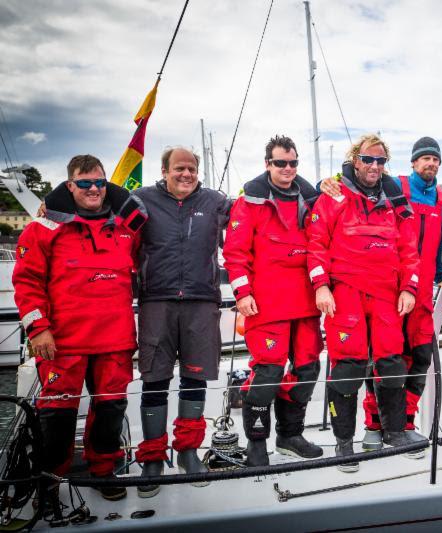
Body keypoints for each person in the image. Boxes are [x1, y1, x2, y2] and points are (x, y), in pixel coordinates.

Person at [13, 155, 147, 501]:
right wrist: (38, 329)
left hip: (114, 341)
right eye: (84, 182)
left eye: (99, 182)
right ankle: (48, 478)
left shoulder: (125, 229)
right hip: (62, 343)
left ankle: (104, 471)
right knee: (56, 416)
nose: (93, 189)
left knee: (110, 412)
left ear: (107, 185)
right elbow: (26, 282)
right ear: (69, 185)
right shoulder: (42, 229)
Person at [319, 136, 442, 454]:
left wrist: (439, 276)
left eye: (436, 158)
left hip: (408, 289)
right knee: (358, 363)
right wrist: (325, 182)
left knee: (409, 360)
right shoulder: (397, 187)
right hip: (369, 291)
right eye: (425, 158)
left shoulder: (440, 198)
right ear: (413, 162)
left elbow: (426, 246)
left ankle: (402, 426)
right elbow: (321, 227)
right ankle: (370, 428)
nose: (375, 166)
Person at [307, 133, 422, 472]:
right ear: (355, 160)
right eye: (369, 159)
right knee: (348, 368)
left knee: (391, 363)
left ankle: (395, 432)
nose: (375, 166)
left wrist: (409, 288)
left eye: (381, 161)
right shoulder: (333, 195)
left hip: (387, 294)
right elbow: (316, 244)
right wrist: (321, 286)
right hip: (346, 294)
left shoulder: (396, 200)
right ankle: (345, 444)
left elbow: (409, 250)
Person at [133, 147, 231, 497]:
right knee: (155, 379)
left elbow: (253, 215)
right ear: (164, 170)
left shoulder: (216, 202)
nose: (186, 174)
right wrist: (52, 206)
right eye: (179, 168)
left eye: (191, 169)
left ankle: (187, 451)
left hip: (201, 302)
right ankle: (153, 457)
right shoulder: (141, 200)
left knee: (195, 377)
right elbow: (101, 211)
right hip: (156, 301)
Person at [222, 135, 324, 466]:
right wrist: (242, 292)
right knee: (268, 371)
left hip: (305, 302)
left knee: (308, 367)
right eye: (281, 163)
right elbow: (235, 253)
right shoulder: (249, 201)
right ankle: (256, 444)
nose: (288, 169)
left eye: (293, 163)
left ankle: (290, 436)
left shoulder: (311, 200)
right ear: (268, 164)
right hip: (266, 303)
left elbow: (322, 242)